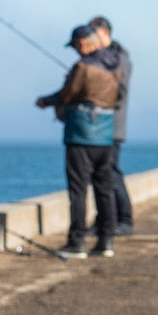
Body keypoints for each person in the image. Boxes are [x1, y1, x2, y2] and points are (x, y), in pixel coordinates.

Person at [35, 24, 122, 258]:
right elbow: (119, 97)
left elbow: (66, 94)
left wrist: (45, 101)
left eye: (74, 46)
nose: (75, 50)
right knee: (104, 188)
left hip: (81, 134)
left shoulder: (82, 67)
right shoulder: (115, 67)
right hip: (105, 134)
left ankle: (77, 242)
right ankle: (106, 241)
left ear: (82, 43)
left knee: (78, 189)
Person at [88, 15, 134, 236]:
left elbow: (118, 90)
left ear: (104, 32)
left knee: (111, 173)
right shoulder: (101, 56)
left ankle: (125, 220)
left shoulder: (120, 57)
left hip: (112, 127)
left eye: (93, 32)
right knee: (99, 175)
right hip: (98, 128)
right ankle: (104, 221)